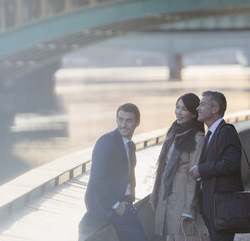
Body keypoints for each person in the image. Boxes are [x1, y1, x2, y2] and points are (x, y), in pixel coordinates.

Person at [79, 103, 148, 241]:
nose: (123, 125)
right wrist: (115, 205)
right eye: (120, 119)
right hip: (108, 208)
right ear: (116, 120)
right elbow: (96, 180)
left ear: (137, 122)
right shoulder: (107, 142)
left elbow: (128, 176)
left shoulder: (130, 145)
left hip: (124, 205)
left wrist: (129, 201)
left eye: (129, 120)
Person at [150, 93, 207, 241]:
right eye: (177, 107)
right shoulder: (174, 131)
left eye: (184, 109)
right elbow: (164, 165)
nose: (178, 112)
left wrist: (189, 208)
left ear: (194, 114)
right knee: (170, 236)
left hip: (182, 197)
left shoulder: (197, 138)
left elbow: (194, 176)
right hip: (166, 194)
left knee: (181, 236)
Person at [189, 91, 244, 241]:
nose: (197, 108)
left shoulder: (226, 131)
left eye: (202, 104)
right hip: (212, 206)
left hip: (222, 207)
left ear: (215, 109)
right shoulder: (213, 133)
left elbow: (231, 164)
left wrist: (201, 170)